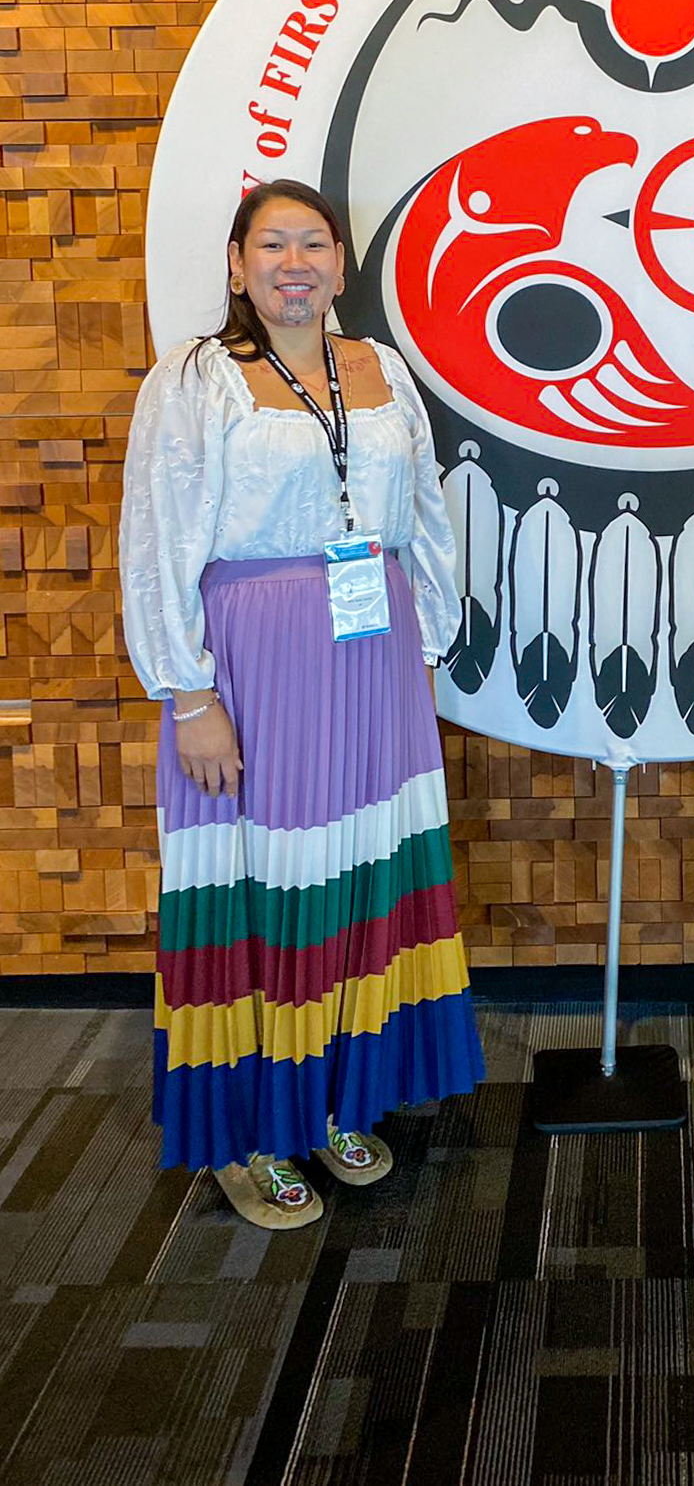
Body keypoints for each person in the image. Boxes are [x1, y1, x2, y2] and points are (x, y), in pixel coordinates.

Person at [120, 179, 483, 1229]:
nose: (293, 263)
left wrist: (424, 645)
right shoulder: (195, 379)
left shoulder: (381, 369)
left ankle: (330, 1097)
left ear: (339, 261)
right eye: (270, 245)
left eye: (312, 244)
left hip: (371, 656)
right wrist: (189, 694)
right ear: (235, 264)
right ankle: (251, 1130)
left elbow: (421, 513)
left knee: (353, 878)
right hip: (253, 657)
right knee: (266, 886)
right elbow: (158, 541)